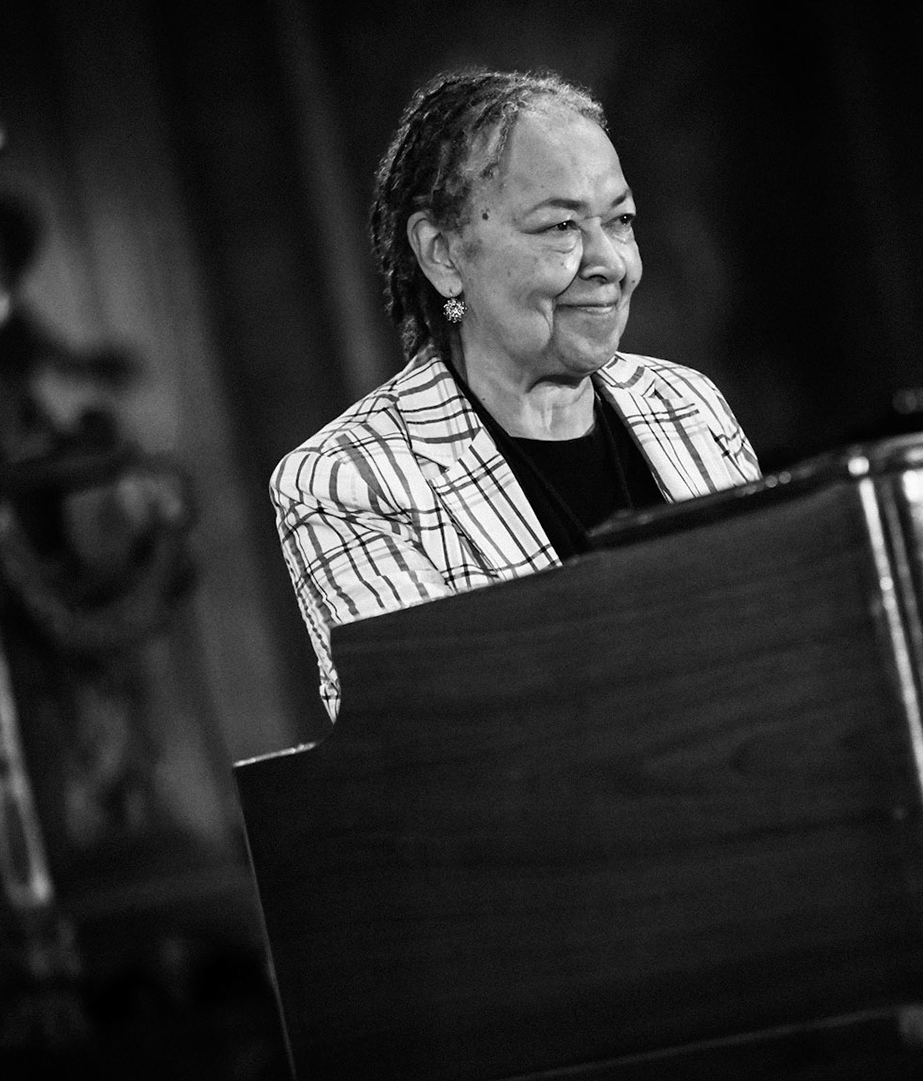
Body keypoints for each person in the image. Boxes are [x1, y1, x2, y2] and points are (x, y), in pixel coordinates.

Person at [271, 69, 759, 720]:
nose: (610, 263)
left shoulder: (686, 405)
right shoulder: (349, 482)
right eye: (559, 227)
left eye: (619, 220)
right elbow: (438, 743)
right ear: (443, 253)